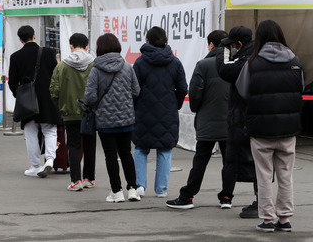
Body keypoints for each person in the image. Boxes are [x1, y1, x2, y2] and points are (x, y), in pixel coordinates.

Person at [235, 20, 303, 232]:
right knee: (285, 174)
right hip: (287, 129)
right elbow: (300, 88)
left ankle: (267, 219)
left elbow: (242, 90)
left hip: (261, 129)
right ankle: (284, 219)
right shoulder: (295, 60)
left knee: (263, 175)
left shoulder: (252, 62)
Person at [166, 30, 231, 209]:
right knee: (229, 161)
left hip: (207, 120)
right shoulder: (235, 64)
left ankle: (187, 196)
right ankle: (227, 197)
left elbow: (194, 94)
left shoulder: (203, 65)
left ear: (211, 45)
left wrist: (197, 109)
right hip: (230, 122)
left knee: (200, 160)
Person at [84, 33, 141, 202]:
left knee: (110, 156)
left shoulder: (96, 69)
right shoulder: (127, 67)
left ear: (100, 48)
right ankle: (132, 189)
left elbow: (90, 97)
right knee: (126, 154)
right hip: (126, 118)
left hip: (105, 121)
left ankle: (116, 192)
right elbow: (136, 91)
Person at [133, 26, 187, 199]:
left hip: (143, 112)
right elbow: (183, 88)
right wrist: (175, 105)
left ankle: (140, 185)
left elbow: (133, 89)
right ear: (165, 40)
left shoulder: (140, 62)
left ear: (148, 41)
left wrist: (136, 106)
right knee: (165, 150)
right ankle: (161, 189)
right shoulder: (175, 62)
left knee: (141, 148)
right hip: (168, 112)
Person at [216, 26, 258, 218]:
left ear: (239, 44)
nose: (231, 48)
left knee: (253, 163)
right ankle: (261, 201)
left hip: (243, 119)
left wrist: (220, 50)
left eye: (232, 45)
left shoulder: (246, 60)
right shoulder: (255, 56)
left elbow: (225, 70)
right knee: (261, 164)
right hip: (256, 119)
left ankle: (233, 198)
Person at [8, 25, 60, 178]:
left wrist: (19, 96)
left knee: (30, 132)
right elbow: (56, 75)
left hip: (28, 100)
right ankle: (50, 160)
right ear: (34, 36)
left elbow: (12, 82)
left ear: (20, 39)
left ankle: (35, 165)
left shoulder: (15, 56)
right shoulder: (49, 53)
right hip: (47, 98)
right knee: (50, 130)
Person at [50, 33, 96, 191]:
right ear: (87, 46)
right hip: (90, 112)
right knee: (90, 145)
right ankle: (89, 178)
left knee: (74, 146)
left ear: (71, 45)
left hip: (70, 113)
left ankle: (76, 181)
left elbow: (54, 91)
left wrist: (62, 105)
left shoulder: (61, 66)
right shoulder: (94, 64)